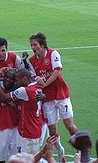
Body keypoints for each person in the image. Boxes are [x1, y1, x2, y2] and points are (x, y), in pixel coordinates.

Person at [28, 32, 79, 162]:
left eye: (35, 44)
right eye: (31, 45)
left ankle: (81, 148)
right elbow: (34, 79)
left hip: (61, 95)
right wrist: (39, 84)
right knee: (52, 131)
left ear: (42, 45)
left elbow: (57, 71)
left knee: (69, 125)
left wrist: (44, 83)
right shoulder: (32, 61)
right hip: (47, 98)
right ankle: (60, 151)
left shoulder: (53, 54)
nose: (33, 47)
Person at [0, 68, 46, 156]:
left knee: (25, 160)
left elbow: (4, 97)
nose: (15, 82)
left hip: (27, 133)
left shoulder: (25, 90)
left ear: (24, 79)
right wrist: (44, 96)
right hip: (36, 129)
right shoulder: (38, 85)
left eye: (17, 80)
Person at [0, 68, 19, 163]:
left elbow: (4, 97)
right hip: (0, 129)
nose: (7, 79)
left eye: (10, 78)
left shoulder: (19, 92)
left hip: (16, 130)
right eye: (6, 77)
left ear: (15, 80)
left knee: (16, 159)